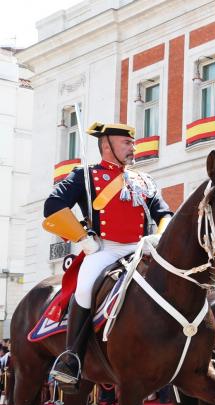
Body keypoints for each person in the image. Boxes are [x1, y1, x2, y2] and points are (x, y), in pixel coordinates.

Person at [44, 122, 173, 389]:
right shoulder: (85, 176)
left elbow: (165, 214)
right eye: (127, 143)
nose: (133, 148)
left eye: (132, 143)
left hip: (141, 247)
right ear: (107, 145)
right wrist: (81, 237)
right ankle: (72, 359)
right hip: (103, 249)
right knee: (85, 289)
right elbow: (53, 206)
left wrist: (159, 237)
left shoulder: (143, 180)